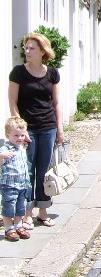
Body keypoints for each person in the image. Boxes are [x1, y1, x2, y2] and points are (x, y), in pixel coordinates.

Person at [8, 32, 64, 229]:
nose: (27, 51)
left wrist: (60, 128)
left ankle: (43, 210)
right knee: (27, 171)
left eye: (32, 48)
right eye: (26, 47)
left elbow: (56, 103)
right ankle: (27, 213)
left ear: (42, 51)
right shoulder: (18, 73)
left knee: (44, 171)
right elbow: (13, 102)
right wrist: (19, 129)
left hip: (48, 127)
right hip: (28, 129)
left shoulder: (52, 73)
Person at [0, 117, 31, 241]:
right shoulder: (5, 149)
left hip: (22, 184)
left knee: (20, 206)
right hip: (9, 185)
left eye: (22, 135)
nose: (19, 138)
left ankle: (18, 225)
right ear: (8, 135)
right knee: (9, 206)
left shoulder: (21, 148)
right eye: (16, 135)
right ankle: (9, 228)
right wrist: (1, 156)